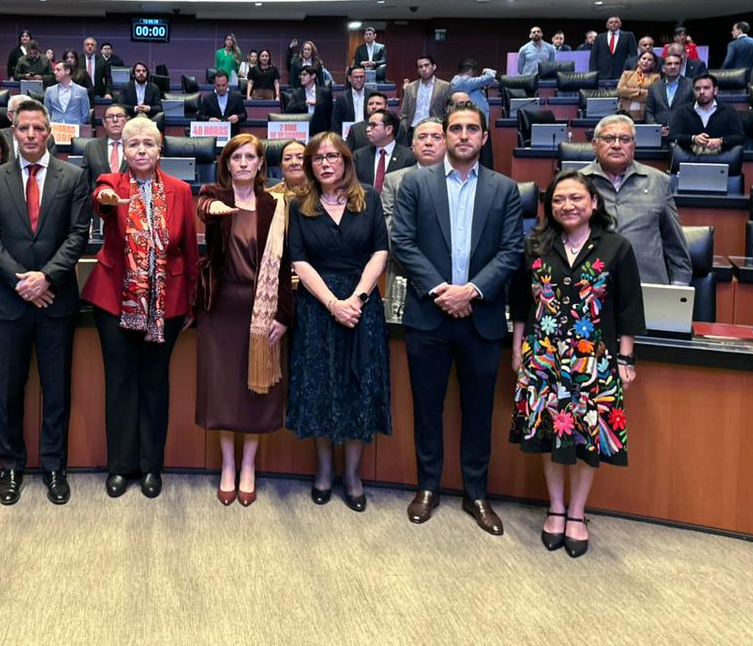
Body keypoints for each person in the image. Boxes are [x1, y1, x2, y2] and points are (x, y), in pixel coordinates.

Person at [391, 104, 524, 535]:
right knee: (427, 410)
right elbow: (403, 243)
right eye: (455, 129)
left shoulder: (505, 189)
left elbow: (511, 251)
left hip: (481, 318)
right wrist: (442, 290)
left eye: (472, 129)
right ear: (444, 136)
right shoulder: (415, 182)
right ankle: (427, 487)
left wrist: (471, 290)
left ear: (485, 138)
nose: (463, 135)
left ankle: (477, 493)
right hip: (429, 316)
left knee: (478, 411)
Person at [510, 170, 644, 557]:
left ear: (594, 203)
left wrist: (626, 357)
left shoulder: (615, 247)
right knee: (550, 433)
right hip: (544, 357)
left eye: (575, 198)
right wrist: (519, 350)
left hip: (595, 360)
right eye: (557, 200)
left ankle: (577, 513)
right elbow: (521, 304)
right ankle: (554, 508)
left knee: (587, 438)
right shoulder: (534, 245)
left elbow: (629, 307)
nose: (566, 206)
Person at [0, 100, 91, 506]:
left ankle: (54, 467)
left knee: (56, 391)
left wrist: (46, 277)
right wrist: (22, 281)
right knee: (8, 390)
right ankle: (11, 467)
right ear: (14, 132)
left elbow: (78, 235)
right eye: (22, 128)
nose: (29, 135)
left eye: (36, 128)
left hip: (56, 301)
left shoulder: (74, 177)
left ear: (48, 133)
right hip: (9, 302)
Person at [83, 116, 198, 499]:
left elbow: (190, 253)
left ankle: (151, 467)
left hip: (167, 303)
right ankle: (120, 466)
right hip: (115, 301)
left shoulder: (181, 190)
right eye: (134, 144)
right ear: (124, 149)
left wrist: (193, 299)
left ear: (160, 148)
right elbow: (100, 202)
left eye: (149, 143)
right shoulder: (110, 184)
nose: (142, 150)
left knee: (154, 384)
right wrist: (104, 202)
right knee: (119, 384)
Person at [286, 132, 390, 511]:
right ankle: (324, 471)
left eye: (332, 156)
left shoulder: (369, 198)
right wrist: (333, 303)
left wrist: (357, 299)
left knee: (356, 388)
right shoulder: (300, 206)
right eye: (317, 158)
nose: (325, 163)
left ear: (346, 160)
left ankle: (353, 474)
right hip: (317, 307)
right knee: (320, 387)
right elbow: (298, 260)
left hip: (361, 307)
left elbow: (381, 251)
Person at [194, 134, 293, 506]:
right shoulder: (215, 198)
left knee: (257, 389)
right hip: (221, 308)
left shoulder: (276, 205)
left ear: (260, 164)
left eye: (250, 157)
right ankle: (228, 465)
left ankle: (249, 465)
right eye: (236, 157)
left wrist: (283, 313)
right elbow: (203, 206)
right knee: (222, 389)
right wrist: (214, 209)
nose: (243, 164)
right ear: (226, 164)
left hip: (262, 308)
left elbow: (285, 265)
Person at [580, 114, 691, 285]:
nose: (617, 145)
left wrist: (678, 288)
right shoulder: (577, 183)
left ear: (634, 146)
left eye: (625, 139)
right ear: (594, 145)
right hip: (590, 288)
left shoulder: (658, 181)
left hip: (648, 286)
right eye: (609, 138)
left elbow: (675, 243)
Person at [668, 73, 745, 154]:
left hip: (720, 159)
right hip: (691, 158)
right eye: (697, 89)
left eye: (706, 88)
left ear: (715, 91)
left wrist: (721, 141)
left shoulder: (728, 110)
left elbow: (740, 137)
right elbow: (673, 136)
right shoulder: (683, 111)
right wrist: (693, 139)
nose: (701, 92)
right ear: (693, 91)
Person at [354, 111, 415, 191]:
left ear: (388, 129)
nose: (367, 129)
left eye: (373, 125)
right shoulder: (359, 156)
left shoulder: (408, 157)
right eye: (368, 125)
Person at [399, 55, 452, 136]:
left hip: (435, 129)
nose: (424, 69)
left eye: (426, 65)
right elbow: (404, 113)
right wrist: (405, 129)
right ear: (418, 70)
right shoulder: (410, 87)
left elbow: (448, 112)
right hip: (412, 129)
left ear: (434, 67)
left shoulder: (445, 86)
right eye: (420, 67)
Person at [81, 103, 128, 193]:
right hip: (99, 203)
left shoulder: (135, 146)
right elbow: (85, 182)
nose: (115, 120)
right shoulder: (91, 147)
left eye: (119, 116)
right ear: (104, 123)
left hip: (129, 203)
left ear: (127, 120)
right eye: (110, 117)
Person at [284, 65, 333, 137]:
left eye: (304, 74)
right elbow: (289, 109)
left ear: (313, 76)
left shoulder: (325, 93)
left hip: (321, 132)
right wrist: (305, 103)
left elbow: (330, 114)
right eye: (300, 75)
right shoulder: (297, 93)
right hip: (302, 131)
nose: (301, 77)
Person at [196, 70, 247, 136]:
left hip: (232, 135)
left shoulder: (236, 97)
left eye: (223, 85)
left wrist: (237, 117)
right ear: (214, 84)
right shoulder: (207, 98)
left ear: (227, 83)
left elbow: (244, 115)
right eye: (218, 85)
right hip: (213, 135)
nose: (221, 88)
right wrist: (209, 119)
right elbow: (199, 117)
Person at [43, 60, 92, 125]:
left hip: (75, 128)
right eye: (54, 70)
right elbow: (47, 113)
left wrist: (78, 125)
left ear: (67, 71)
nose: (55, 72)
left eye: (58, 70)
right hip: (55, 128)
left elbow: (85, 115)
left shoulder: (81, 91)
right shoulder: (49, 91)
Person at [590, 16, 637, 82]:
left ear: (620, 24)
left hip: (622, 73)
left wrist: (633, 72)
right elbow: (593, 57)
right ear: (607, 25)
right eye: (611, 22)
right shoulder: (599, 37)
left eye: (616, 22)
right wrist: (593, 74)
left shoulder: (628, 36)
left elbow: (633, 55)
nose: (614, 23)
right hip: (602, 74)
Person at [616, 49, 659, 120]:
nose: (646, 61)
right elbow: (620, 90)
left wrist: (628, 94)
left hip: (643, 115)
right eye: (644, 58)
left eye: (649, 60)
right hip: (624, 113)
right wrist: (640, 92)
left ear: (653, 64)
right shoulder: (627, 74)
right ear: (638, 61)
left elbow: (651, 97)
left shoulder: (655, 77)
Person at [331, 65, 370, 135]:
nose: (359, 80)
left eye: (361, 77)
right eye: (356, 77)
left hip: (369, 133)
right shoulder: (342, 98)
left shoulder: (372, 95)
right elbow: (335, 122)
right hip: (348, 134)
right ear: (349, 78)